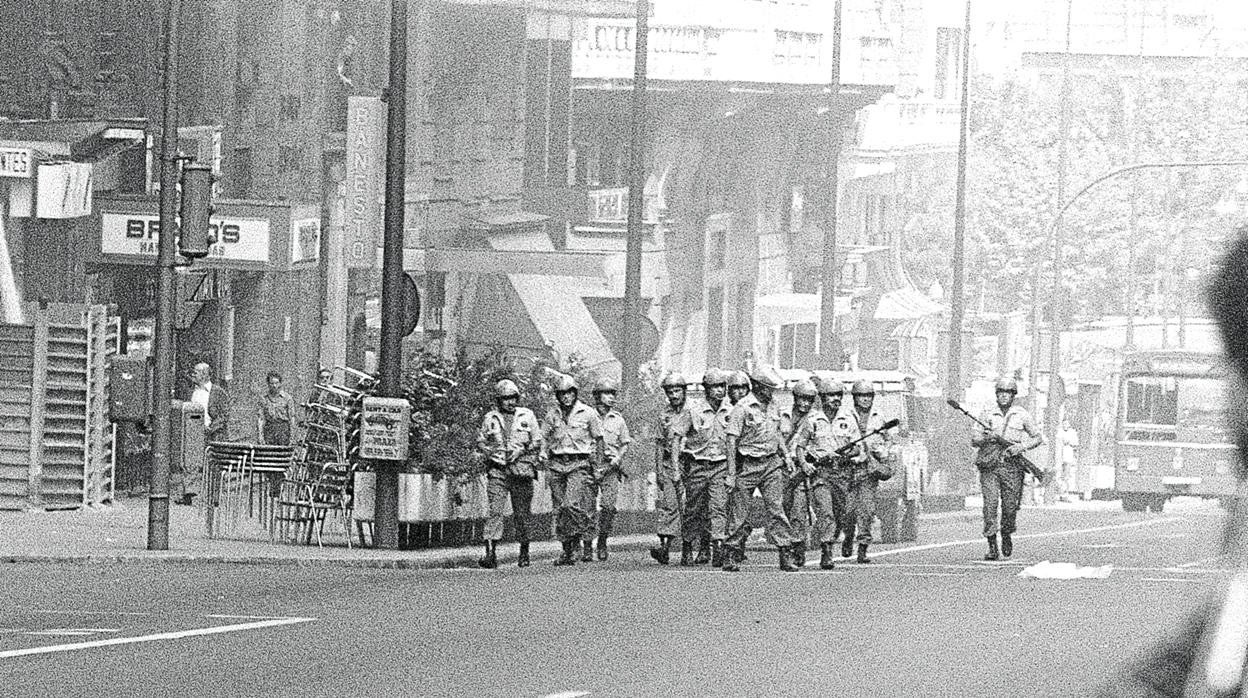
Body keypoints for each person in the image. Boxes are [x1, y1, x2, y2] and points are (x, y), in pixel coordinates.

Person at [722, 367, 797, 572]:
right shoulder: (743, 407)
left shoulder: (773, 405)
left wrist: (786, 455)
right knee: (739, 511)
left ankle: (785, 552)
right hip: (748, 463)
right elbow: (731, 441)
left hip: (771, 463)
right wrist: (730, 473)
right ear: (756, 386)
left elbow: (777, 434)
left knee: (776, 508)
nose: (770, 392)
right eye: (767, 388)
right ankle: (731, 553)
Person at [971, 377, 1043, 561]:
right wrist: (988, 438)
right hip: (990, 466)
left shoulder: (1022, 414)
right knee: (990, 505)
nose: (1004, 396)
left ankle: (1007, 533)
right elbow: (975, 439)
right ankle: (992, 544)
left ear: (1013, 395)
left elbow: (1037, 437)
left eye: (1008, 393)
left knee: (1010, 507)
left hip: (1012, 467)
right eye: (1001, 393)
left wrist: (1022, 447)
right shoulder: (987, 413)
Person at [476, 379, 542, 569]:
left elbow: (537, 441)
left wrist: (521, 450)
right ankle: (490, 553)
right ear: (499, 400)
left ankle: (524, 550)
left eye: (513, 398)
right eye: (505, 399)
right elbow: (481, 440)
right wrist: (487, 451)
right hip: (498, 469)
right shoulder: (491, 418)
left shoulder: (527, 416)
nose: (510, 402)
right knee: (495, 511)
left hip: (520, 470)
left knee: (521, 514)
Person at [541, 374, 604, 567]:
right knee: (560, 509)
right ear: (557, 396)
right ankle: (567, 549)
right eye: (562, 394)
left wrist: (599, 466)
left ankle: (581, 535)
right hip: (557, 463)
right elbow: (543, 436)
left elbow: (599, 440)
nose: (566, 397)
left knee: (571, 504)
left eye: (569, 393)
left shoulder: (588, 413)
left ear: (575, 393)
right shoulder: (552, 414)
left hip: (579, 463)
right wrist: (543, 452)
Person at [676, 368, 732, 566]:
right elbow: (677, 437)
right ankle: (688, 545)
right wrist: (675, 467)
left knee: (718, 507)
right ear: (706, 389)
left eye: (721, 386)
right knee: (694, 509)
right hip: (697, 465)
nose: (718, 391)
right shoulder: (693, 410)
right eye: (714, 387)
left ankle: (716, 546)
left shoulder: (731, 411)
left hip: (720, 465)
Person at [783, 378, 839, 570]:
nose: (805, 403)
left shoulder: (818, 419)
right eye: (802, 398)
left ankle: (827, 550)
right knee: (795, 511)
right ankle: (797, 547)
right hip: (791, 468)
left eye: (809, 399)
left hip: (818, 471)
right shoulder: (785, 416)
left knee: (826, 511)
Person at [841, 380, 894, 564]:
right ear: (855, 398)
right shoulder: (845, 416)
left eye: (868, 396)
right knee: (846, 511)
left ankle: (863, 547)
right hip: (847, 469)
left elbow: (888, 439)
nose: (865, 400)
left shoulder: (879, 417)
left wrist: (883, 451)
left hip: (868, 470)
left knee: (866, 510)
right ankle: (848, 535)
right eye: (862, 396)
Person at [583, 377, 631, 562]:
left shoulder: (618, 419)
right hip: (590, 466)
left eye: (613, 393)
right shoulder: (587, 416)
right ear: (597, 396)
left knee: (609, 507)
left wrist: (618, 458)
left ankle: (602, 540)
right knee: (587, 508)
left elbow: (625, 443)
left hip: (610, 468)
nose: (611, 397)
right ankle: (587, 544)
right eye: (607, 393)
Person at [176, 362, 230, 505]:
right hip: (193, 431)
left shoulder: (218, 392)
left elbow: (224, 415)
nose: (193, 374)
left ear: (205, 374)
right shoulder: (189, 392)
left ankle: (214, 497)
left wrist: (212, 428)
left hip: (212, 433)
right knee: (190, 463)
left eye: (196, 372)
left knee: (213, 464)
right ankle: (188, 493)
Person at [651, 372, 689, 565]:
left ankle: (691, 549)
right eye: (670, 392)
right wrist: (658, 470)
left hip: (690, 463)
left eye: (677, 391)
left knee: (691, 507)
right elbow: (658, 444)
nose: (674, 395)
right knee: (669, 506)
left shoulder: (693, 411)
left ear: (684, 391)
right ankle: (664, 547)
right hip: (667, 464)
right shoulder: (663, 415)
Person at [815, 377, 855, 557]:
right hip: (821, 474)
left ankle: (844, 535)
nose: (835, 398)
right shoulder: (813, 419)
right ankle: (826, 550)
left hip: (842, 473)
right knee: (825, 512)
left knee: (842, 513)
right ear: (822, 398)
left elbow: (858, 447)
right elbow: (801, 446)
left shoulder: (848, 419)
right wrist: (812, 459)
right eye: (831, 395)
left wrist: (846, 454)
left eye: (838, 395)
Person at [257, 371, 296, 446]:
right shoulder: (264, 399)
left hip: (283, 430)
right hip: (269, 430)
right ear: (268, 384)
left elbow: (292, 418)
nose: (274, 386)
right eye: (272, 383)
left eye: (277, 383)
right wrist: (260, 436)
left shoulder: (287, 398)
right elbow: (261, 418)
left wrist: (292, 436)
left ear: (280, 383)